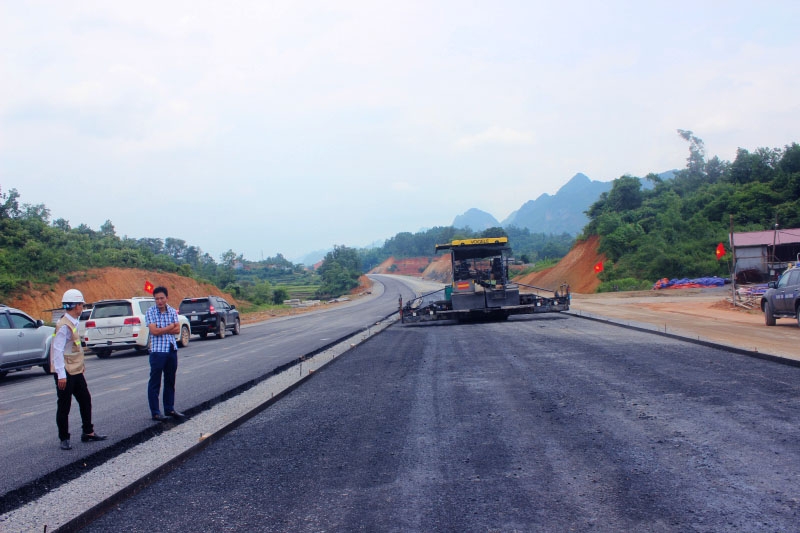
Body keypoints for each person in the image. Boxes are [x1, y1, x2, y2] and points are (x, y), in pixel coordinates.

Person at [50, 289, 107, 450]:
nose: (82, 307)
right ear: (76, 306)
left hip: (75, 370)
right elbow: (57, 351)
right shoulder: (63, 325)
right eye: (81, 304)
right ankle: (64, 438)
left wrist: (80, 366)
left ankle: (88, 432)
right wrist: (61, 375)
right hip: (65, 372)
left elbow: (74, 348)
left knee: (85, 400)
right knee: (64, 405)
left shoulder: (73, 322)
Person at [145, 286, 186, 421]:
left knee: (170, 380)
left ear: (167, 298)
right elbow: (154, 331)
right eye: (156, 299)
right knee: (155, 382)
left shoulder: (172, 311)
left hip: (171, 349)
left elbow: (177, 329)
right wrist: (169, 327)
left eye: (162, 298)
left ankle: (169, 409)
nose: (159, 301)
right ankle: (155, 412)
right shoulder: (150, 312)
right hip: (157, 351)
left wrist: (163, 329)